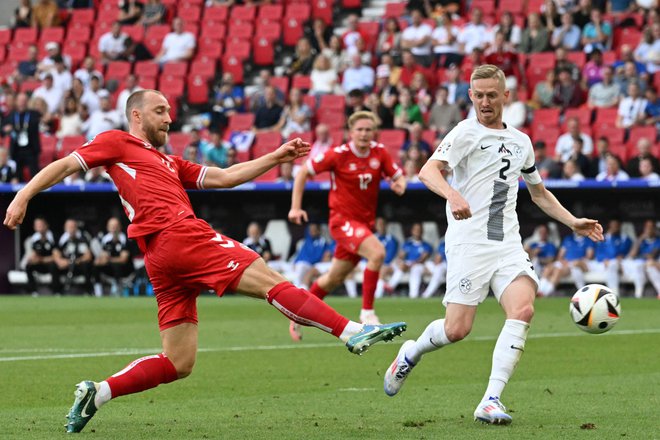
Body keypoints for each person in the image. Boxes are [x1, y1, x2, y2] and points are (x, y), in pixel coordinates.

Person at [3, 90, 407, 434]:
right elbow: (65, 165)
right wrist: (23, 196)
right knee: (266, 276)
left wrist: (276, 157)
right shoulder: (115, 142)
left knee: (179, 362)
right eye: (160, 111)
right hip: (179, 234)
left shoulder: (168, 162)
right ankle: (351, 330)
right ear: (137, 115)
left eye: (169, 111)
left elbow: (226, 177)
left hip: (160, 257)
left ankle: (100, 391)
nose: (169, 118)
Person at [382, 65, 603, 425]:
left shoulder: (521, 141)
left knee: (523, 311)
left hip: (508, 245)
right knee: (457, 329)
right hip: (469, 243)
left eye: (491, 95)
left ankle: (491, 398)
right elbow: (427, 171)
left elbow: (539, 193)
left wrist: (572, 221)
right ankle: (411, 352)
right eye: (478, 95)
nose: (485, 102)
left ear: (506, 97)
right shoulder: (464, 133)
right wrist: (452, 194)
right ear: (470, 96)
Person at [288, 110, 406, 334]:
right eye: (359, 130)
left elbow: (398, 176)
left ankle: (298, 313)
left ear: (374, 132)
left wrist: (400, 184)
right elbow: (303, 172)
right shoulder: (338, 154)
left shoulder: (379, 152)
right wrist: (295, 207)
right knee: (377, 253)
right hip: (342, 222)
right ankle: (368, 313)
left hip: (363, 226)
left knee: (333, 278)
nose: (364, 134)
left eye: (368, 130)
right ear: (350, 133)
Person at [387, 222, 433, 298]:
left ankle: (413, 295)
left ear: (422, 231)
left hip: (419, 265)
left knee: (416, 269)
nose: (417, 231)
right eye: (415, 230)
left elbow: (422, 259)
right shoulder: (407, 243)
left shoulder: (426, 245)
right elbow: (400, 256)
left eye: (419, 230)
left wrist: (411, 264)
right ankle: (390, 286)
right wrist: (401, 259)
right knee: (398, 265)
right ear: (412, 231)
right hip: (407, 265)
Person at [2, 92, 41, 182]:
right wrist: (6, 129)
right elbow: (2, 129)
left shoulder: (34, 114)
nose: (22, 103)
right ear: (16, 102)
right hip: (16, 150)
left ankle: (37, 194)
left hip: (31, 149)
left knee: (35, 175)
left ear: (27, 102)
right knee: (17, 175)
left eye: (24, 101)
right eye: (20, 100)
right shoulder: (12, 115)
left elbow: (43, 120)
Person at [93, 217, 134, 297]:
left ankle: (117, 289)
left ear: (120, 227)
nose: (113, 229)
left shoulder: (125, 239)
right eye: (111, 226)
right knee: (95, 266)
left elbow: (123, 259)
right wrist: (99, 261)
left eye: (115, 226)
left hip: (125, 269)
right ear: (108, 227)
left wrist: (109, 259)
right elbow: (103, 256)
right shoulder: (105, 240)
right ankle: (97, 291)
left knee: (116, 265)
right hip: (110, 268)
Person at [53, 219, 94, 293]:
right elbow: (55, 252)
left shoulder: (83, 237)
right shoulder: (62, 239)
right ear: (65, 228)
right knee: (53, 266)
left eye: (73, 227)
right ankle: (57, 292)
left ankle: (88, 291)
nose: (71, 229)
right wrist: (60, 261)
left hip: (79, 263)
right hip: (66, 264)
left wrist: (76, 261)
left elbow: (88, 256)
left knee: (87, 266)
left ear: (76, 227)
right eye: (69, 227)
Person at [24, 216, 60, 295]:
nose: (39, 227)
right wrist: (34, 259)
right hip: (40, 264)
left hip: (51, 264)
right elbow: (33, 255)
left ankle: (56, 292)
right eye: (37, 225)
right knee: (29, 266)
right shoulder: (33, 239)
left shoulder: (54, 237)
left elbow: (57, 257)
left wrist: (42, 259)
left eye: (41, 225)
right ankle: (33, 291)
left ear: (46, 225)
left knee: (54, 266)